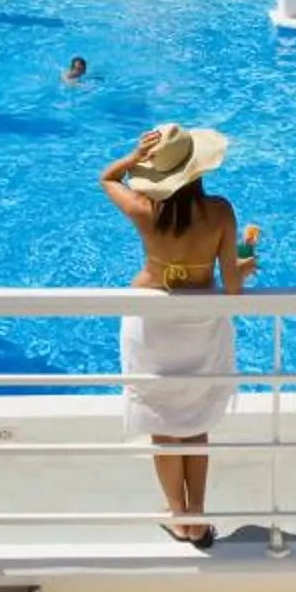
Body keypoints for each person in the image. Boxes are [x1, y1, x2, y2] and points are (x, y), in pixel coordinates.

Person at [100, 124, 243, 547]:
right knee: (195, 423)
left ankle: (179, 517)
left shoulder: (145, 210)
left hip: (150, 321)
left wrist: (133, 156)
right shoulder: (219, 212)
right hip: (200, 323)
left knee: (163, 427)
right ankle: (197, 518)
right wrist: (245, 267)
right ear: (197, 171)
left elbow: (106, 178)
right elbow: (232, 287)